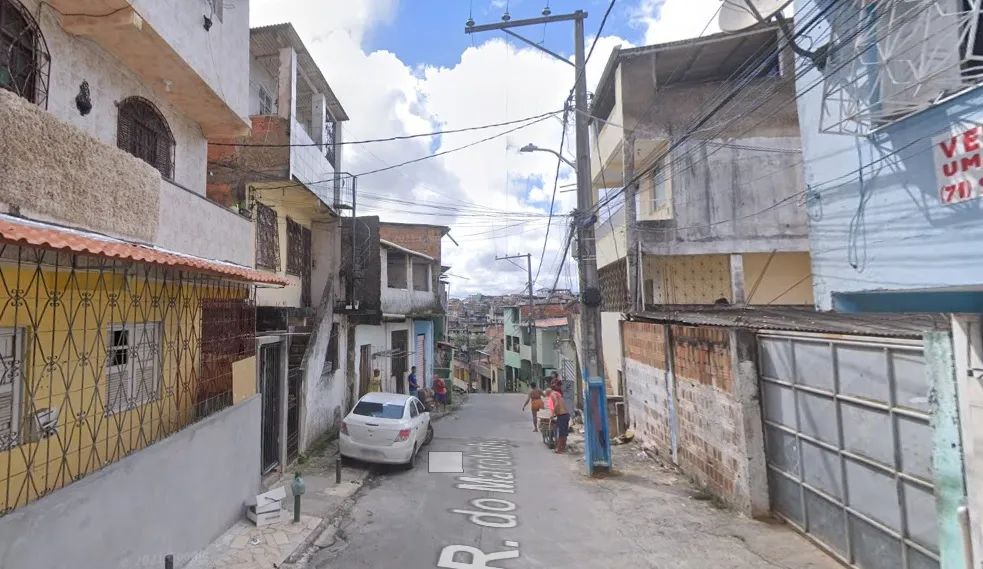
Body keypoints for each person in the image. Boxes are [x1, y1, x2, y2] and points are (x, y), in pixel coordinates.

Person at [549, 377, 570, 454]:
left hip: (562, 415)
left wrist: (552, 414)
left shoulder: (553, 394)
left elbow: (557, 404)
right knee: (564, 433)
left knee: (561, 433)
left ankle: (559, 449)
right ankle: (562, 448)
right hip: (565, 415)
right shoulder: (559, 394)